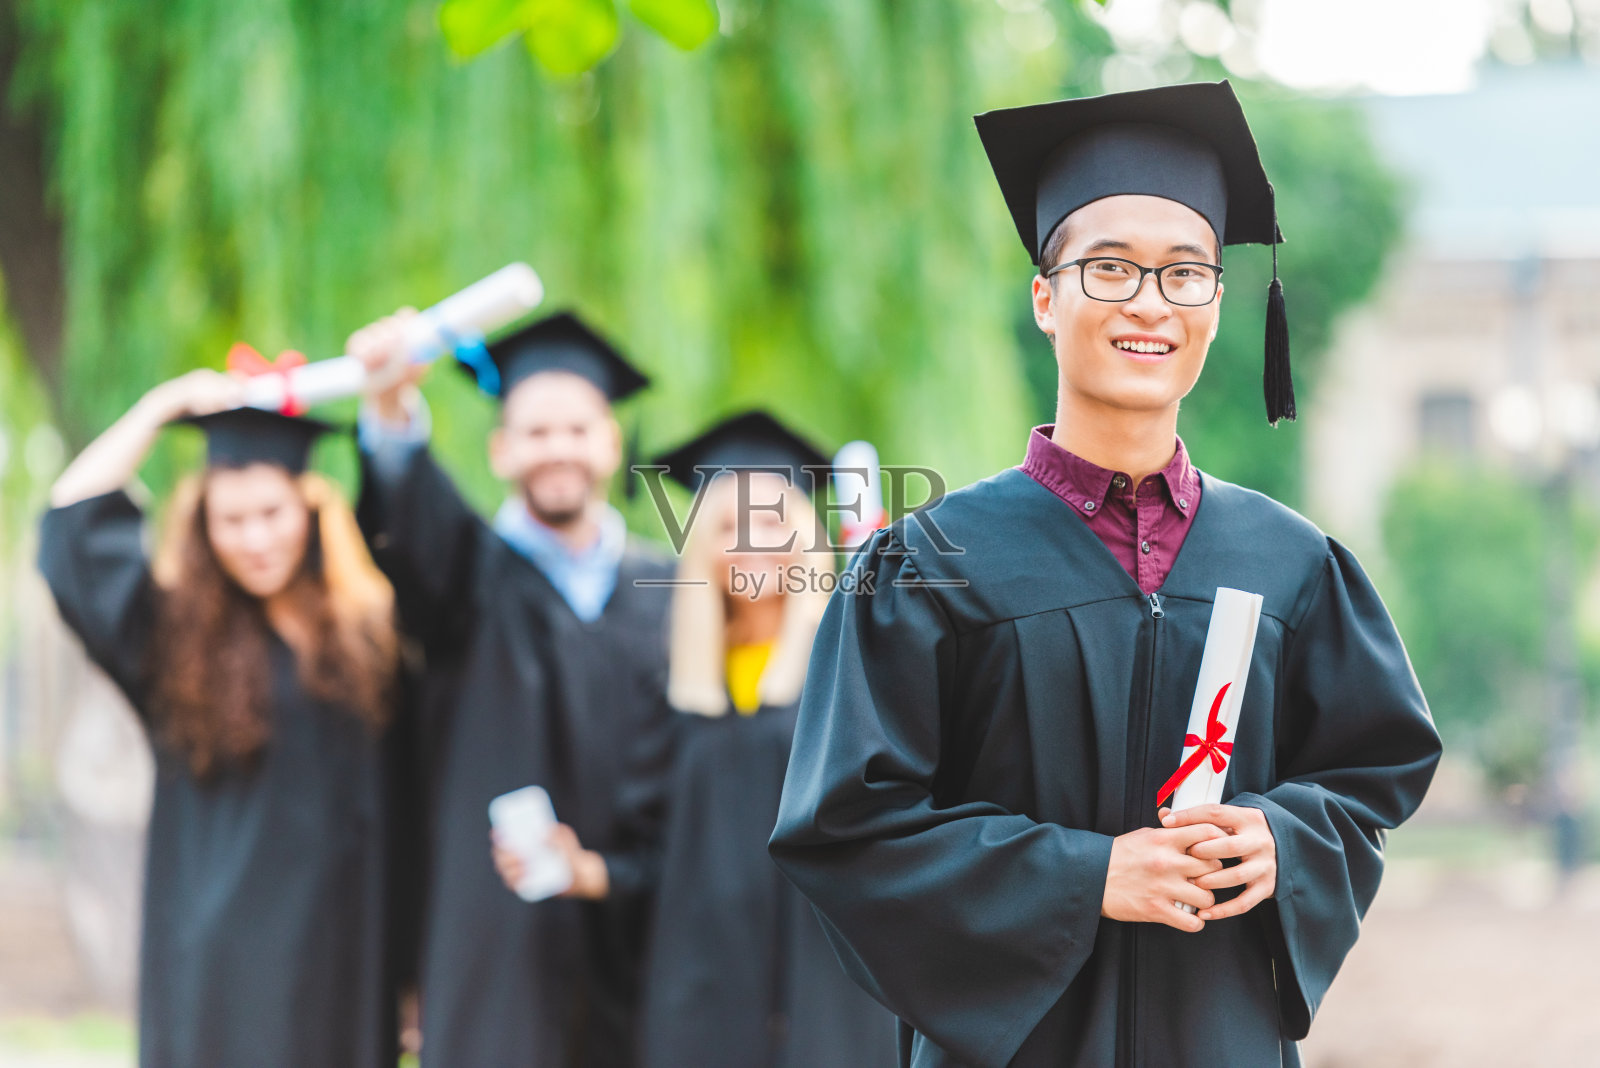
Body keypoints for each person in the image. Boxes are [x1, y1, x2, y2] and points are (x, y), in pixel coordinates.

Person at [769, 80, 1443, 1067]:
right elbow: (846, 830)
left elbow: (1370, 774)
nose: (1150, 303)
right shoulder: (926, 567)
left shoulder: (1292, 564)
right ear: (1046, 298)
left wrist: (1282, 837)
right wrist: (1085, 877)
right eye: (1111, 267)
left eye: (1185, 273)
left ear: (1217, 302)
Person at [497, 411, 899, 1068]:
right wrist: (583, 870)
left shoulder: (856, 669)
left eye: (772, 522)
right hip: (701, 1008)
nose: (752, 544)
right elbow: (658, 857)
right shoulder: (679, 692)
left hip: (830, 1008)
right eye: (729, 526)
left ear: (806, 535)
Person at [39, 373, 408, 1068]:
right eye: (230, 520)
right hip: (221, 973)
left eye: (272, 512)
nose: (255, 538)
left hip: (346, 961)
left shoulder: (367, 637)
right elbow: (70, 521)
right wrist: (160, 406)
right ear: (203, 526)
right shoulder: (175, 641)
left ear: (311, 508)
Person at [350, 308, 673, 1067]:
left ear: (611, 442)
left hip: (641, 943)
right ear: (500, 450)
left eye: (576, 429)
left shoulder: (670, 593)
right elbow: (412, 521)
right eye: (535, 431)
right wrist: (391, 401)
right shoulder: (466, 576)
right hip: (495, 949)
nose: (557, 448)